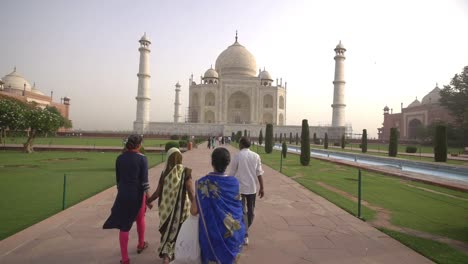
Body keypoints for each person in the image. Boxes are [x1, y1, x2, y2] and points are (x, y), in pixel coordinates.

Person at [191, 147, 245, 263]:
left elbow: (193, 210)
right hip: (232, 236)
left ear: (212, 162)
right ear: (228, 163)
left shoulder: (202, 183)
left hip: (211, 236)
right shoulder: (234, 183)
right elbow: (238, 208)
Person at [103, 134, 150, 264]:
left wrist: (123, 192)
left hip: (123, 194)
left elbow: (118, 181)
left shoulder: (120, 158)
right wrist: (149, 197)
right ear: (139, 145)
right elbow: (145, 182)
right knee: (140, 219)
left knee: (124, 226)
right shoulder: (142, 159)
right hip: (137, 195)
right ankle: (141, 244)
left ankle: (125, 259)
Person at [146, 147, 195, 264]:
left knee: (167, 234)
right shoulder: (185, 172)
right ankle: (178, 255)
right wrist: (196, 205)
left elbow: (158, 191)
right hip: (182, 209)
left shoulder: (165, 173)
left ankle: (167, 256)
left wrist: (149, 200)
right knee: (179, 232)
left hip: (166, 210)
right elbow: (190, 191)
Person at [229, 136, 264, 245]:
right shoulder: (256, 156)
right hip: (252, 188)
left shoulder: (237, 156)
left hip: (240, 188)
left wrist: (229, 186)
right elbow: (259, 173)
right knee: (251, 211)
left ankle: (244, 231)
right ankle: (245, 233)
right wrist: (262, 187)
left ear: (241, 145)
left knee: (242, 211)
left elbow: (232, 173)